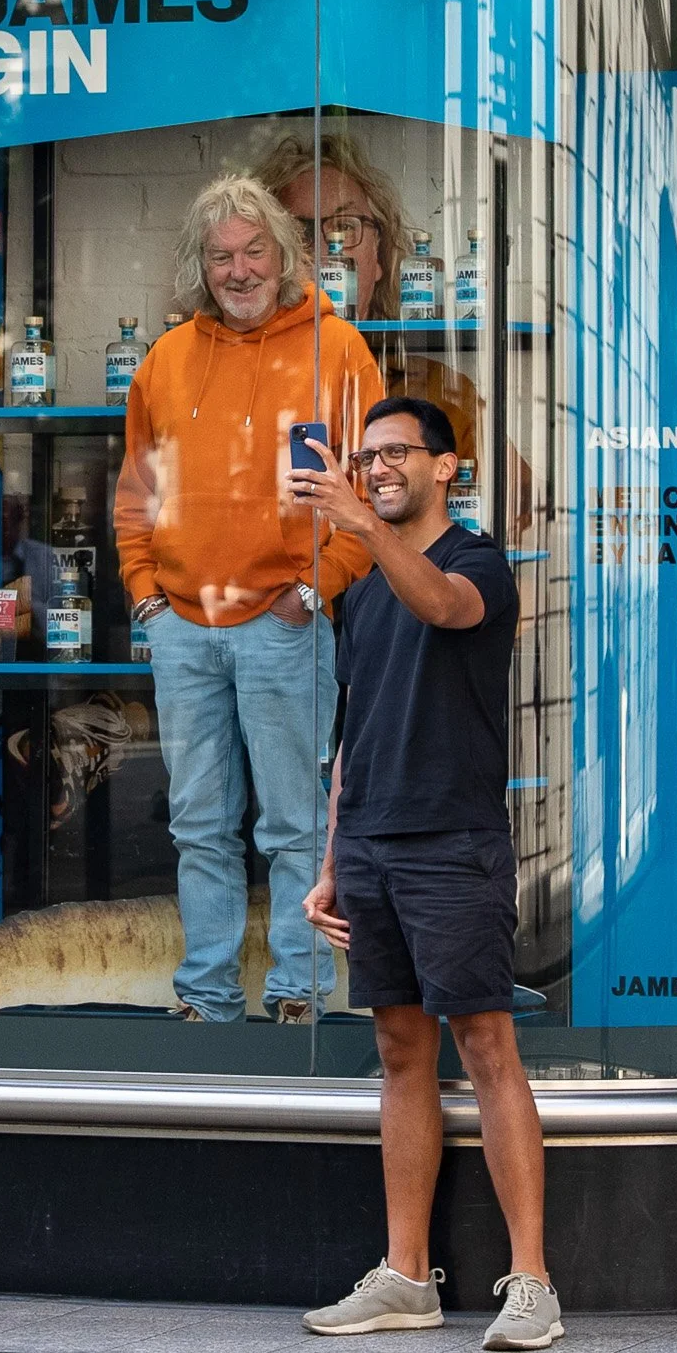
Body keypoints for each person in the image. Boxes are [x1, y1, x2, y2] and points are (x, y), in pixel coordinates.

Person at [292, 396, 559, 1350]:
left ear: (449, 466)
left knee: (486, 1048)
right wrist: (331, 860)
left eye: (396, 453)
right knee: (401, 1053)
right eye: (366, 458)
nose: (377, 468)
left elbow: (445, 609)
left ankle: (531, 1281)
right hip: (370, 844)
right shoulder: (359, 593)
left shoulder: (475, 562)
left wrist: (360, 524)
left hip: (452, 843)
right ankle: (407, 1275)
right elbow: (351, 742)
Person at [114, 173, 385, 1023]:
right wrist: (145, 597)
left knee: (298, 828)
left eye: (254, 250)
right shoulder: (164, 360)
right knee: (198, 825)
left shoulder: (337, 348)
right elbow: (135, 492)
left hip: (285, 624)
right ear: (202, 266)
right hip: (183, 629)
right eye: (221, 255)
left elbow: (373, 489)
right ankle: (207, 995)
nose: (238, 269)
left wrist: (316, 587)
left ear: (285, 253)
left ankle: (299, 995)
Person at [257, 130, 408, 322]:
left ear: (378, 251)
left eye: (345, 227)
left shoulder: (407, 352)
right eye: (298, 233)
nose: (324, 257)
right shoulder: (251, 352)